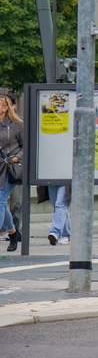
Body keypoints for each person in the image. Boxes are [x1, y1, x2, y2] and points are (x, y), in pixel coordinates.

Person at [0, 94, 24, 253]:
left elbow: (26, 146)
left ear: (5, 108)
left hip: (9, 168)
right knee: (1, 203)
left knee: (0, 200)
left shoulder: (17, 125)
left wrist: (16, 158)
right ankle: (13, 233)